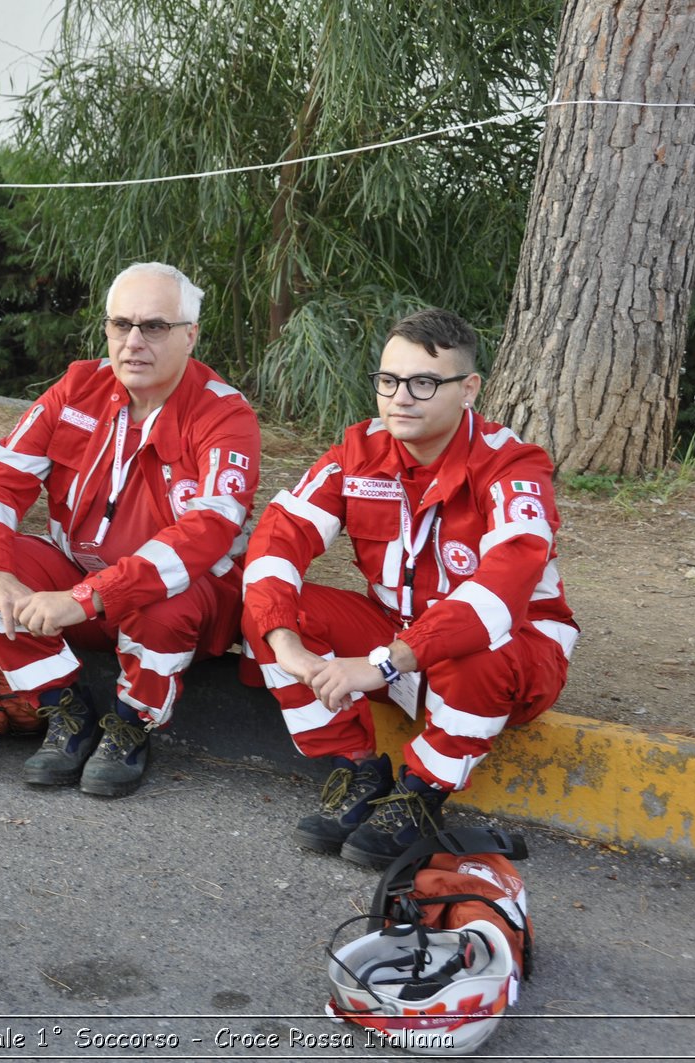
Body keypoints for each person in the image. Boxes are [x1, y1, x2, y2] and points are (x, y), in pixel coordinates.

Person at [241, 309, 577, 868]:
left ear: (468, 388)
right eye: (389, 381)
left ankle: (421, 797)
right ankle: (358, 772)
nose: (401, 398)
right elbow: (278, 538)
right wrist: (284, 644)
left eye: (424, 383)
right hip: (398, 638)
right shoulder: (358, 451)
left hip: (513, 646)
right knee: (268, 605)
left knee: (477, 647)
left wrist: (386, 663)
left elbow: (500, 594)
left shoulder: (512, 466)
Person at [0, 262, 260, 798]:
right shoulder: (78, 386)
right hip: (83, 583)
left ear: (191, 335)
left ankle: (130, 724)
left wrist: (91, 596)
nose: (134, 342)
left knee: (166, 598)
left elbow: (207, 533)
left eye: (155, 327)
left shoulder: (224, 414)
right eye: (121, 325)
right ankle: (62, 709)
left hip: (185, 599)